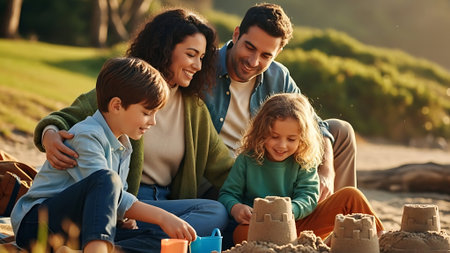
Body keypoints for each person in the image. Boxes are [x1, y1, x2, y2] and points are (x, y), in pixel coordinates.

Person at [32, 9, 233, 252]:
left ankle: (121, 246)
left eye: (202, 57)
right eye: (191, 55)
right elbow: (63, 118)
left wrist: (265, 191)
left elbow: (222, 166)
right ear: (166, 48)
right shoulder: (130, 86)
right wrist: (50, 133)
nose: (198, 65)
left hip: (152, 203)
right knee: (113, 188)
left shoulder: (194, 109)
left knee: (214, 212)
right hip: (118, 199)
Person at [11, 57, 199, 253]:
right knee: (106, 179)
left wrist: (123, 218)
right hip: (37, 224)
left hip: (80, 230)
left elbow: (112, 200)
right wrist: (162, 216)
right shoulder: (86, 136)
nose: (153, 121)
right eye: (147, 112)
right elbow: (110, 190)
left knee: (162, 240)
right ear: (116, 105)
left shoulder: (124, 145)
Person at [204, 3, 356, 202]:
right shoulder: (202, 66)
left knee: (340, 131)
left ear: (278, 52)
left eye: (266, 55)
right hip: (226, 177)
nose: (253, 61)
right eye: (249, 47)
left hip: (271, 164)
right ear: (236, 34)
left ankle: (341, 217)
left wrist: (327, 171)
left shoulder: (278, 75)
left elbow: (314, 124)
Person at [218, 93, 384, 244]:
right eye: (274, 137)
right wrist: (236, 208)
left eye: (291, 139)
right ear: (261, 133)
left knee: (351, 195)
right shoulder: (247, 159)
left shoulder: (303, 159)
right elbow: (228, 193)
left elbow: (309, 197)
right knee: (240, 233)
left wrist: (289, 211)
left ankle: (384, 238)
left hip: (300, 226)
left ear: (302, 138)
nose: (282, 145)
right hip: (261, 228)